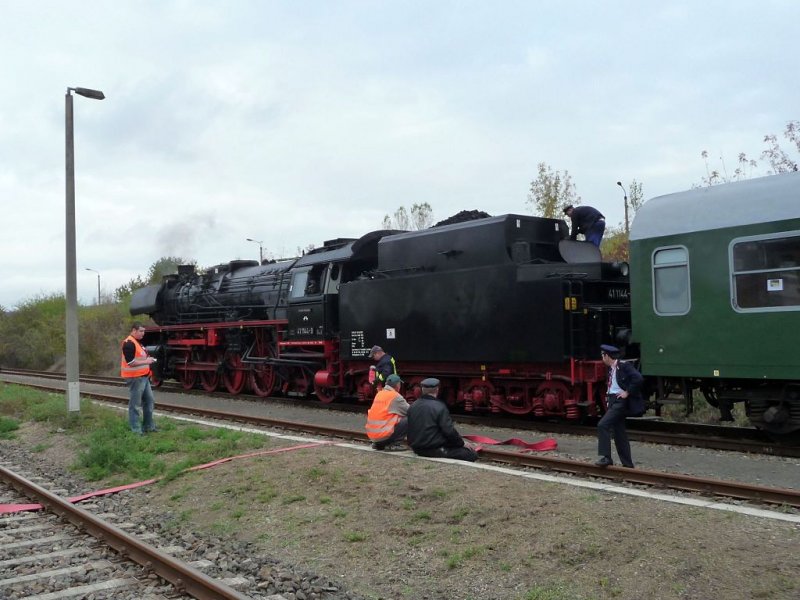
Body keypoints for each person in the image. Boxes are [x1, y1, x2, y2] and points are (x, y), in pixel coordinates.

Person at [595, 344, 644, 468]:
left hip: (619, 402)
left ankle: (606, 457)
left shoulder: (623, 366)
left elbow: (638, 378)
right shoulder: (611, 368)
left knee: (603, 425)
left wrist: (627, 392)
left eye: (602, 355)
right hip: (613, 401)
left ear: (607, 356)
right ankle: (627, 465)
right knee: (619, 433)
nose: (602, 358)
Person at [407, 378, 478, 462]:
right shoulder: (440, 407)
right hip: (433, 448)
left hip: (416, 448)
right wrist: (462, 443)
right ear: (437, 390)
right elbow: (449, 431)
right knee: (471, 454)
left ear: (422, 390)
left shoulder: (413, 406)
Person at [121, 322, 158, 435]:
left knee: (149, 401)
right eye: (141, 331)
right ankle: (136, 430)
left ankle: (148, 426)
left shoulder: (138, 343)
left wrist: (148, 359)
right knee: (135, 404)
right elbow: (131, 362)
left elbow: (140, 357)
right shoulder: (129, 343)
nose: (143, 333)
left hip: (144, 377)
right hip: (135, 378)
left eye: (144, 331)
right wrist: (146, 361)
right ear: (134, 330)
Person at [365, 373, 409, 450]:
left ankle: (377, 444)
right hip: (384, 437)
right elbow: (411, 411)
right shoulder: (395, 397)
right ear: (398, 385)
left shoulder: (379, 394)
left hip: (373, 437)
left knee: (393, 415)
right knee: (409, 418)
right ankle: (395, 444)